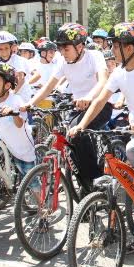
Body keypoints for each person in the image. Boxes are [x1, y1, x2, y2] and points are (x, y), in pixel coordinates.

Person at [71, 22, 134, 253]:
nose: (112, 50)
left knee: (133, 150)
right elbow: (100, 100)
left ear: (128, 49)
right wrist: (81, 125)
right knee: (126, 179)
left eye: (115, 46)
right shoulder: (118, 73)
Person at [25, 23, 109, 188]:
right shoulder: (63, 63)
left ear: (79, 46)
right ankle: (84, 182)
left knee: (78, 133)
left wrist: (89, 97)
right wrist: (29, 103)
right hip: (78, 107)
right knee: (70, 141)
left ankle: (97, 178)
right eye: (60, 49)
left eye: (66, 49)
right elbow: (49, 86)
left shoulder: (94, 56)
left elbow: (103, 81)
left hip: (100, 105)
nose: (62, 53)